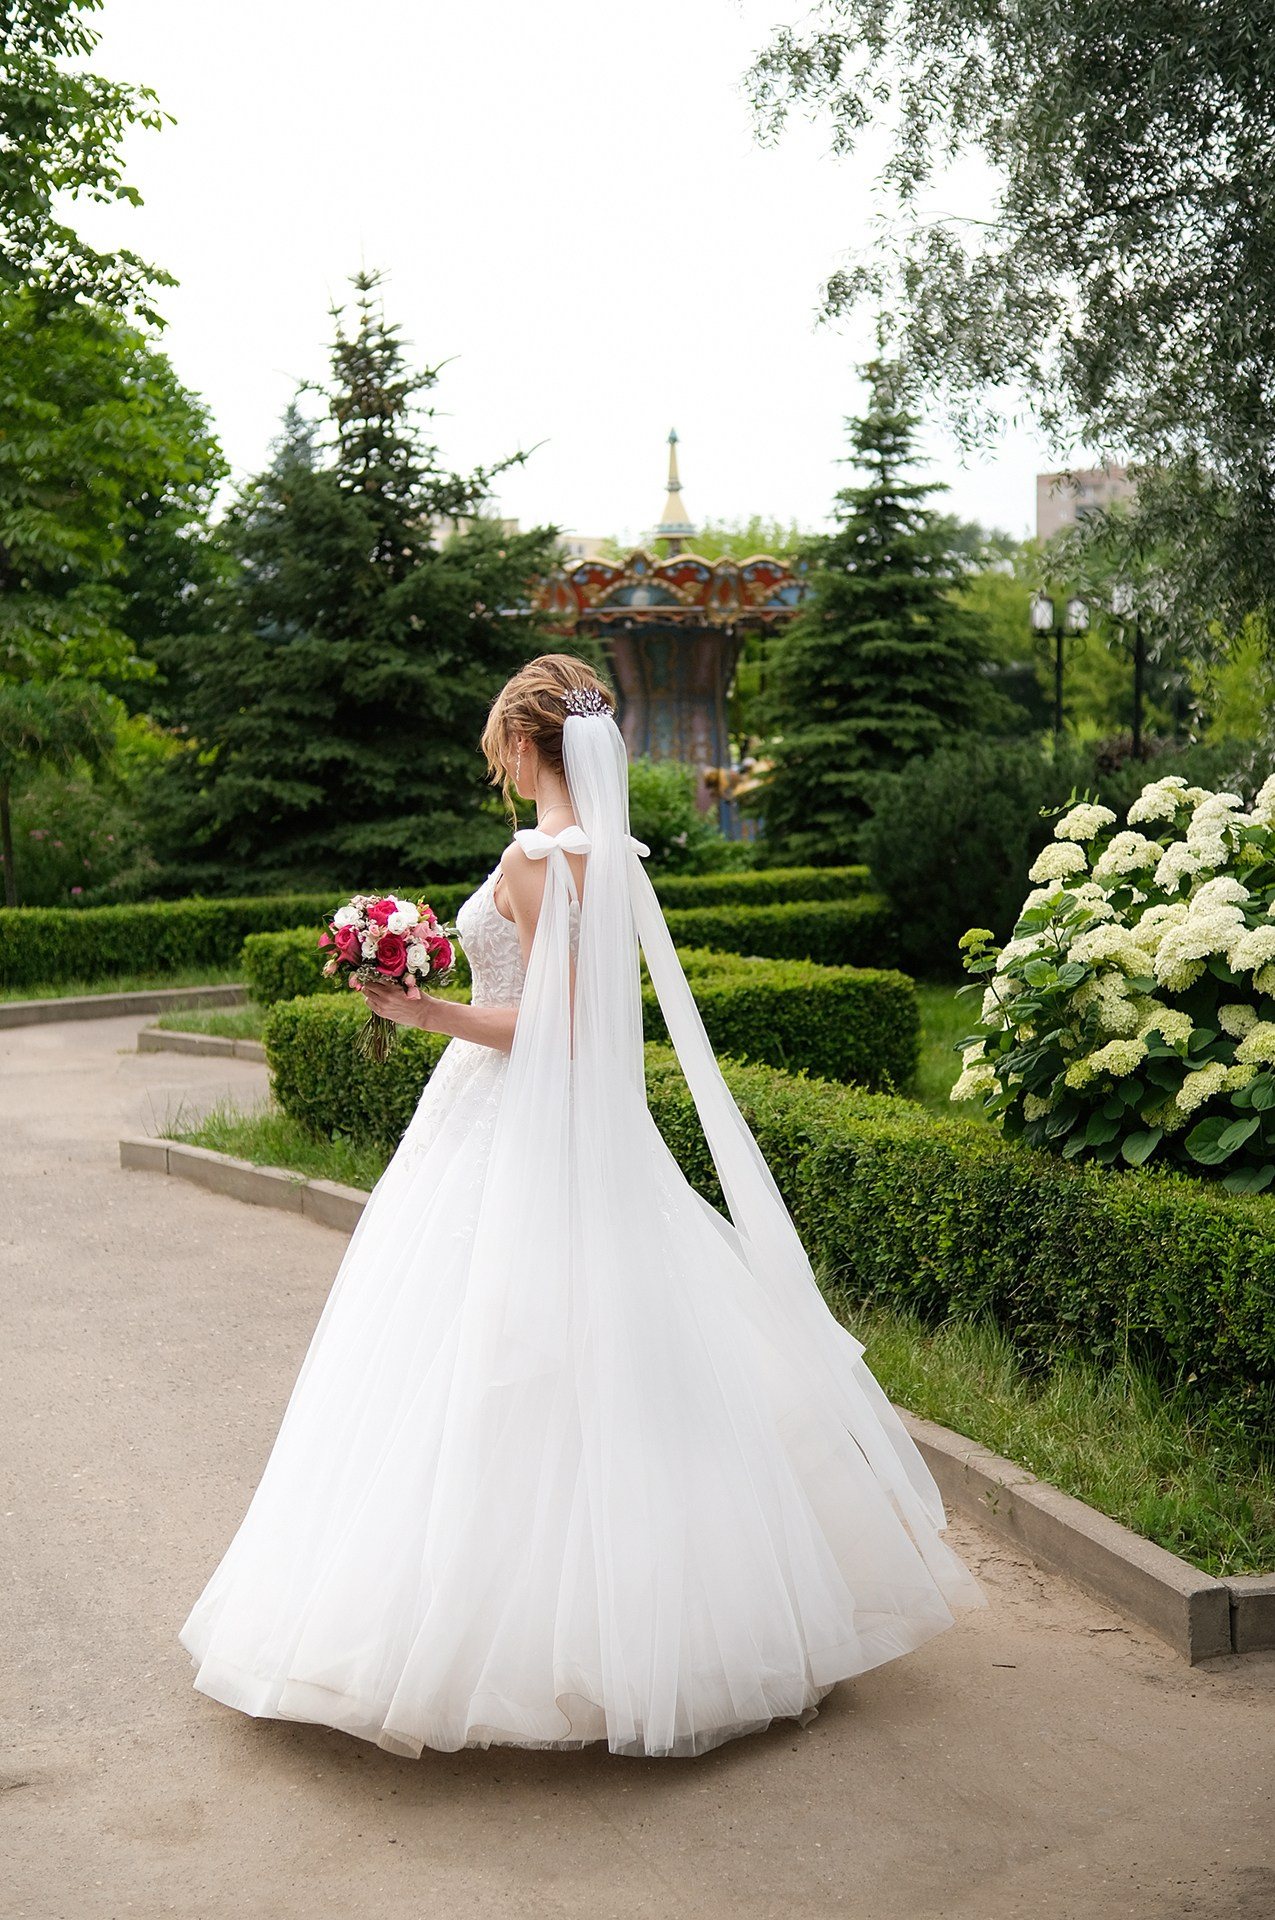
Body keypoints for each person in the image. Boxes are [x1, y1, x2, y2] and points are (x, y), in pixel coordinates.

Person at [179, 654, 986, 1759]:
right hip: (576, 1126)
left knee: (470, 1353)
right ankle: (701, 1618)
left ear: (523, 744)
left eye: (496, 754)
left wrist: (421, 1011)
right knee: (614, 1345)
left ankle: (472, 1644)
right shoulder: (614, 855)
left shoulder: (532, 859)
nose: (499, 773)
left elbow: (543, 1028)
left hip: (504, 1118)